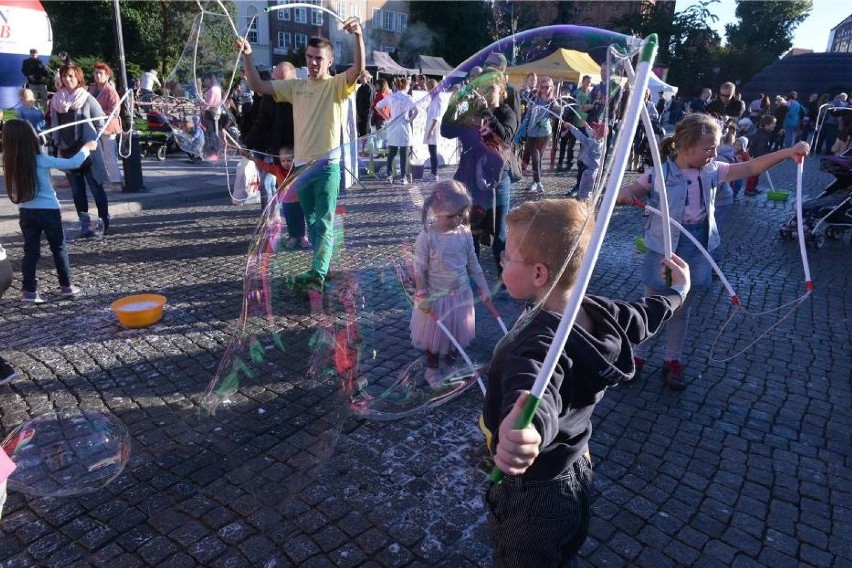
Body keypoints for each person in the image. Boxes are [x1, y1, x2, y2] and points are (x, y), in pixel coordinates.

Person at [482, 198, 691, 567]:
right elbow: (644, 316)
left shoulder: (540, 342)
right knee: (562, 551)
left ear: (539, 274)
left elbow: (537, 392)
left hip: (535, 488)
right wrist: (676, 294)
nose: (501, 260)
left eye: (508, 256)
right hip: (576, 469)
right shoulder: (599, 310)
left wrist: (529, 434)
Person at [617, 113, 810, 389]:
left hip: (697, 247)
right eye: (708, 148)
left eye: (716, 147)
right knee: (652, 306)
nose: (714, 153)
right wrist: (626, 194)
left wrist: (789, 152)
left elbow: (752, 167)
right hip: (662, 247)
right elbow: (632, 190)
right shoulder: (659, 173)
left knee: (681, 309)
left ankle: (672, 359)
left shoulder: (712, 170)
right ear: (685, 147)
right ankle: (637, 356)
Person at [237, 17, 364, 295]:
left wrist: (358, 37)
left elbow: (358, 69)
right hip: (302, 168)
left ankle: (318, 273)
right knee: (312, 222)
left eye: (319, 58)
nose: (313, 62)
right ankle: (322, 265)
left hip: (328, 166)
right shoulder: (296, 87)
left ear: (329, 61)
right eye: (309, 57)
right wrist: (248, 56)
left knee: (323, 221)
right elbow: (259, 86)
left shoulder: (337, 85)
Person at [3, 119, 95, 303]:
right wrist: (87, 148)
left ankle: (29, 292)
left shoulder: (9, 160)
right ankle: (67, 286)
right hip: (48, 211)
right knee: (59, 248)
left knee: (31, 252)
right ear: (30, 138)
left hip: (26, 212)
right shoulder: (40, 159)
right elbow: (72, 163)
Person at [410, 181, 490, 388]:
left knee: (456, 331)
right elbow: (420, 269)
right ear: (437, 212)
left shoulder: (464, 234)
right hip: (436, 298)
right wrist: (422, 293)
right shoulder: (427, 237)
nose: (459, 219)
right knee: (434, 337)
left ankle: (452, 366)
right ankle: (432, 369)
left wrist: (483, 284)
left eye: (462, 214)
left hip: (461, 296)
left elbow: (472, 260)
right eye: (453, 215)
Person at [441, 69, 517, 276]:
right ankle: (472, 274)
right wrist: (453, 104)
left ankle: (505, 277)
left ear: (502, 91)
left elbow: (505, 136)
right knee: (472, 230)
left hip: (497, 181)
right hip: (470, 180)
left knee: (499, 232)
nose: (486, 91)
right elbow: (446, 131)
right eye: (483, 86)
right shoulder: (470, 113)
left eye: (491, 87)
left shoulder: (506, 112)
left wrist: (487, 112)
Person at [50, 64, 111, 237]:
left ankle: (104, 221)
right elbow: (55, 124)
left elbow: (101, 122)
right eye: (64, 76)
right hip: (68, 152)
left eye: (71, 76)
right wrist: (57, 143)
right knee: (77, 192)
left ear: (78, 78)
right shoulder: (56, 100)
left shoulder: (87, 98)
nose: (67, 79)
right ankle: (85, 225)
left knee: (96, 188)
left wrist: (95, 139)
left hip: (88, 153)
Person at [254, 147, 308, 249]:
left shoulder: (297, 170)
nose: (286, 163)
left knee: (300, 219)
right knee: (290, 220)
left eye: (289, 160)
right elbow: (264, 166)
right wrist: (253, 159)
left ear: (294, 159)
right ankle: (293, 237)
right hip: (286, 201)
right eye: (283, 161)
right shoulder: (277, 169)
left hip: (299, 200)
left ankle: (302, 237)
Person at [518, 76, 559, 192]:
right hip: (532, 131)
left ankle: (535, 182)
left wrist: (557, 108)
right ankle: (538, 182)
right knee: (535, 157)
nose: (544, 89)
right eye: (542, 87)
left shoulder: (552, 102)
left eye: (547, 87)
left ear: (551, 88)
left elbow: (557, 115)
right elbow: (528, 115)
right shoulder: (534, 99)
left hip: (545, 133)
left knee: (537, 158)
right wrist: (522, 128)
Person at [376, 75, 418, 185]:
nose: (409, 87)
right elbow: (416, 111)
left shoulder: (392, 96)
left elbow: (377, 106)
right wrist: (409, 120)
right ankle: (403, 177)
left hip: (393, 125)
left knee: (392, 152)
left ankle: (389, 175)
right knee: (404, 153)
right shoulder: (408, 98)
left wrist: (387, 118)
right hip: (403, 125)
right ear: (405, 86)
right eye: (408, 85)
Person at [89, 62, 124, 188]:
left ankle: (116, 180)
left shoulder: (111, 92)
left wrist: (98, 114)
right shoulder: (92, 88)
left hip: (107, 127)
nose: (98, 75)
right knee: (99, 155)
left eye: (100, 73)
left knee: (110, 155)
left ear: (107, 76)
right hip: (95, 126)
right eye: (96, 73)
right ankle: (104, 178)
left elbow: (114, 111)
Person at [565, 120, 606, 200]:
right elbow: (592, 132)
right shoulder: (601, 140)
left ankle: (584, 207)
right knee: (586, 192)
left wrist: (570, 126)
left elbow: (580, 135)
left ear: (597, 132)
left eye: (595, 128)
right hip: (591, 170)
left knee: (584, 195)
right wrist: (587, 126)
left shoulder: (592, 143)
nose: (592, 129)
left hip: (587, 171)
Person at [745, 115, 775, 195]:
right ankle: (749, 189)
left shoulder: (765, 133)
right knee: (753, 174)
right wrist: (764, 157)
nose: (774, 125)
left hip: (758, 156)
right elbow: (759, 148)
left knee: (757, 174)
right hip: (756, 157)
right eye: (773, 124)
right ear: (766, 125)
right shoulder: (762, 135)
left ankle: (753, 188)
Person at [423, 77, 445, 181]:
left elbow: (437, 116)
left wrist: (431, 130)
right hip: (430, 126)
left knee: (433, 151)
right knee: (431, 150)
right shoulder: (433, 98)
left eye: (428, 87)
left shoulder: (438, 99)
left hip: (433, 128)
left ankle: (434, 173)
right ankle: (433, 172)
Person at [355, 70, 374, 138]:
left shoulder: (369, 88)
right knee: (361, 133)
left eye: (363, 76)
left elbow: (369, 103)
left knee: (365, 133)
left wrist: (362, 115)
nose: (361, 78)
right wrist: (358, 114)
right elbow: (357, 101)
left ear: (367, 77)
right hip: (360, 114)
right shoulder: (360, 88)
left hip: (366, 115)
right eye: (360, 77)